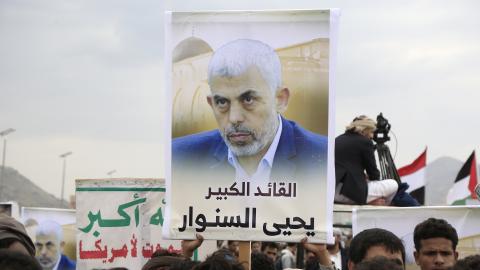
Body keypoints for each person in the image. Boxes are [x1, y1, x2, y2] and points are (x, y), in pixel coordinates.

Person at [173, 39, 327, 184]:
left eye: (248, 100)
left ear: (280, 99)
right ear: (211, 104)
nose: (234, 118)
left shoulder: (322, 158)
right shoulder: (182, 158)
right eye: (222, 102)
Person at [335, 115, 398, 205]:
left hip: (332, 192)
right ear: (365, 130)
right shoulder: (365, 142)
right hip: (349, 194)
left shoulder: (337, 139)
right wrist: (367, 177)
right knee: (393, 184)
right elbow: (374, 175)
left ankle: (371, 201)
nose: (372, 136)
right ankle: (376, 204)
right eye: (372, 132)